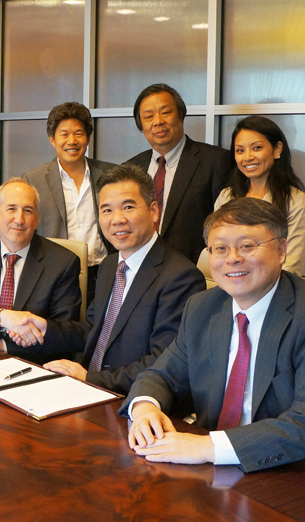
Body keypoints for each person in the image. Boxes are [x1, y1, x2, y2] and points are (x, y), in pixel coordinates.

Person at [120, 198, 305, 501]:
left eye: (247, 246)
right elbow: (161, 375)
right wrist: (145, 408)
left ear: (281, 250)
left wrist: (208, 447)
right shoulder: (203, 307)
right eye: (220, 248)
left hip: (304, 480)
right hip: (224, 477)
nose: (232, 259)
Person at [41, 164, 206, 395]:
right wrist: (44, 329)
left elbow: (163, 362)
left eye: (128, 207)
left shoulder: (181, 278)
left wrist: (90, 379)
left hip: (132, 398)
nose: (117, 219)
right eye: (107, 210)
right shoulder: (110, 265)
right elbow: (92, 330)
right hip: (85, 388)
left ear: (154, 211)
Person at [0, 178, 82, 362]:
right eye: (11, 209)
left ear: (36, 220)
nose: (19, 220)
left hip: (32, 363)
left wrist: (3, 345)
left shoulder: (63, 262)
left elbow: (64, 334)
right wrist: (3, 317)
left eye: (28, 211)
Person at [128, 83, 233, 265]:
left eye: (165, 112)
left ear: (181, 115)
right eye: (149, 116)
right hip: (141, 267)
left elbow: (226, 224)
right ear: (141, 125)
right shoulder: (131, 167)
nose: (158, 121)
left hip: (194, 269)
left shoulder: (216, 161)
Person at [22, 102, 115, 304]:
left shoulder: (111, 174)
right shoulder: (33, 179)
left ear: (88, 138)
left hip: (103, 273)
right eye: (64, 134)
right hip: (55, 275)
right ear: (52, 139)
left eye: (78, 133)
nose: (72, 141)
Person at [214, 115, 305, 276]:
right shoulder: (227, 196)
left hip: (273, 287)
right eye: (240, 150)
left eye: (257, 148)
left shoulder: (295, 201)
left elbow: (290, 264)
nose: (247, 157)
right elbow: (218, 250)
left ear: (277, 149)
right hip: (230, 282)